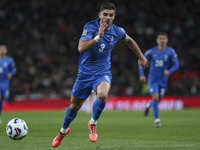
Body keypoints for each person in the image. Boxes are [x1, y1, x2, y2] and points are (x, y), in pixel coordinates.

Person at [52, 2, 149, 148]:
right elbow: (80, 48)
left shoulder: (117, 31)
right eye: (105, 14)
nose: (108, 17)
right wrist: (98, 37)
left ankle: (92, 123)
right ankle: (63, 131)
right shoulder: (90, 27)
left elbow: (129, 40)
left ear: (114, 16)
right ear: (99, 15)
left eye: (111, 15)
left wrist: (141, 56)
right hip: (84, 74)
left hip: (102, 72)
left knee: (102, 95)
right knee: (74, 106)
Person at [139, 32, 179, 127]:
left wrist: (169, 71)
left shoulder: (171, 52)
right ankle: (157, 121)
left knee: (157, 99)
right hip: (153, 79)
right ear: (157, 40)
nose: (162, 40)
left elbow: (176, 65)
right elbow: (140, 61)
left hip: (163, 80)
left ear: (167, 40)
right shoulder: (151, 52)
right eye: (160, 38)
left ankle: (149, 105)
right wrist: (142, 74)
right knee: (156, 98)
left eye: (164, 38)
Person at [0, 45, 17, 123]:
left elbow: (14, 69)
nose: (2, 50)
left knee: (3, 99)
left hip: (5, 83)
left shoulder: (10, 60)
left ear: (6, 51)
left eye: (4, 49)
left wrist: (11, 73)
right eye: (1, 49)